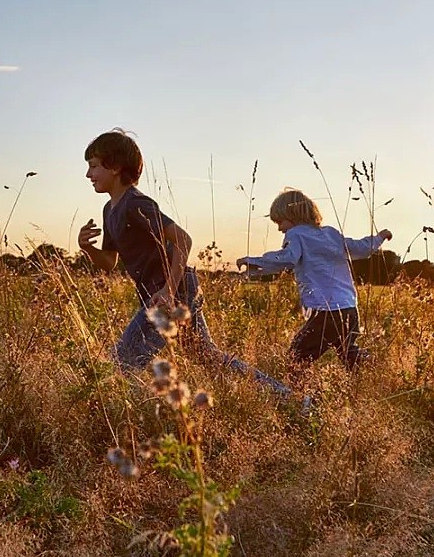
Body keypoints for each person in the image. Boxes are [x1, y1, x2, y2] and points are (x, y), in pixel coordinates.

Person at [78, 129, 290, 396]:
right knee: (210, 358)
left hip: (172, 292)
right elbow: (109, 262)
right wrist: (87, 248)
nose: (89, 175)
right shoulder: (110, 210)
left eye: (94, 166)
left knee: (122, 363)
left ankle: (121, 423)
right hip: (162, 293)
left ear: (117, 166)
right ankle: (286, 397)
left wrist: (168, 290)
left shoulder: (137, 204)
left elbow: (183, 240)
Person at [236, 189, 391, 375]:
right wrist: (380, 237)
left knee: (296, 358)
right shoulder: (331, 234)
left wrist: (255, 262)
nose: (280, 228)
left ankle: (302, 398)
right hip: (349, 309)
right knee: (348, 353)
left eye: (280, 222)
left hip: (326, 312)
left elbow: (287, 259)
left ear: (293, 215)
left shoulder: (296, 235)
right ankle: (374, 368)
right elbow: (361, 248)